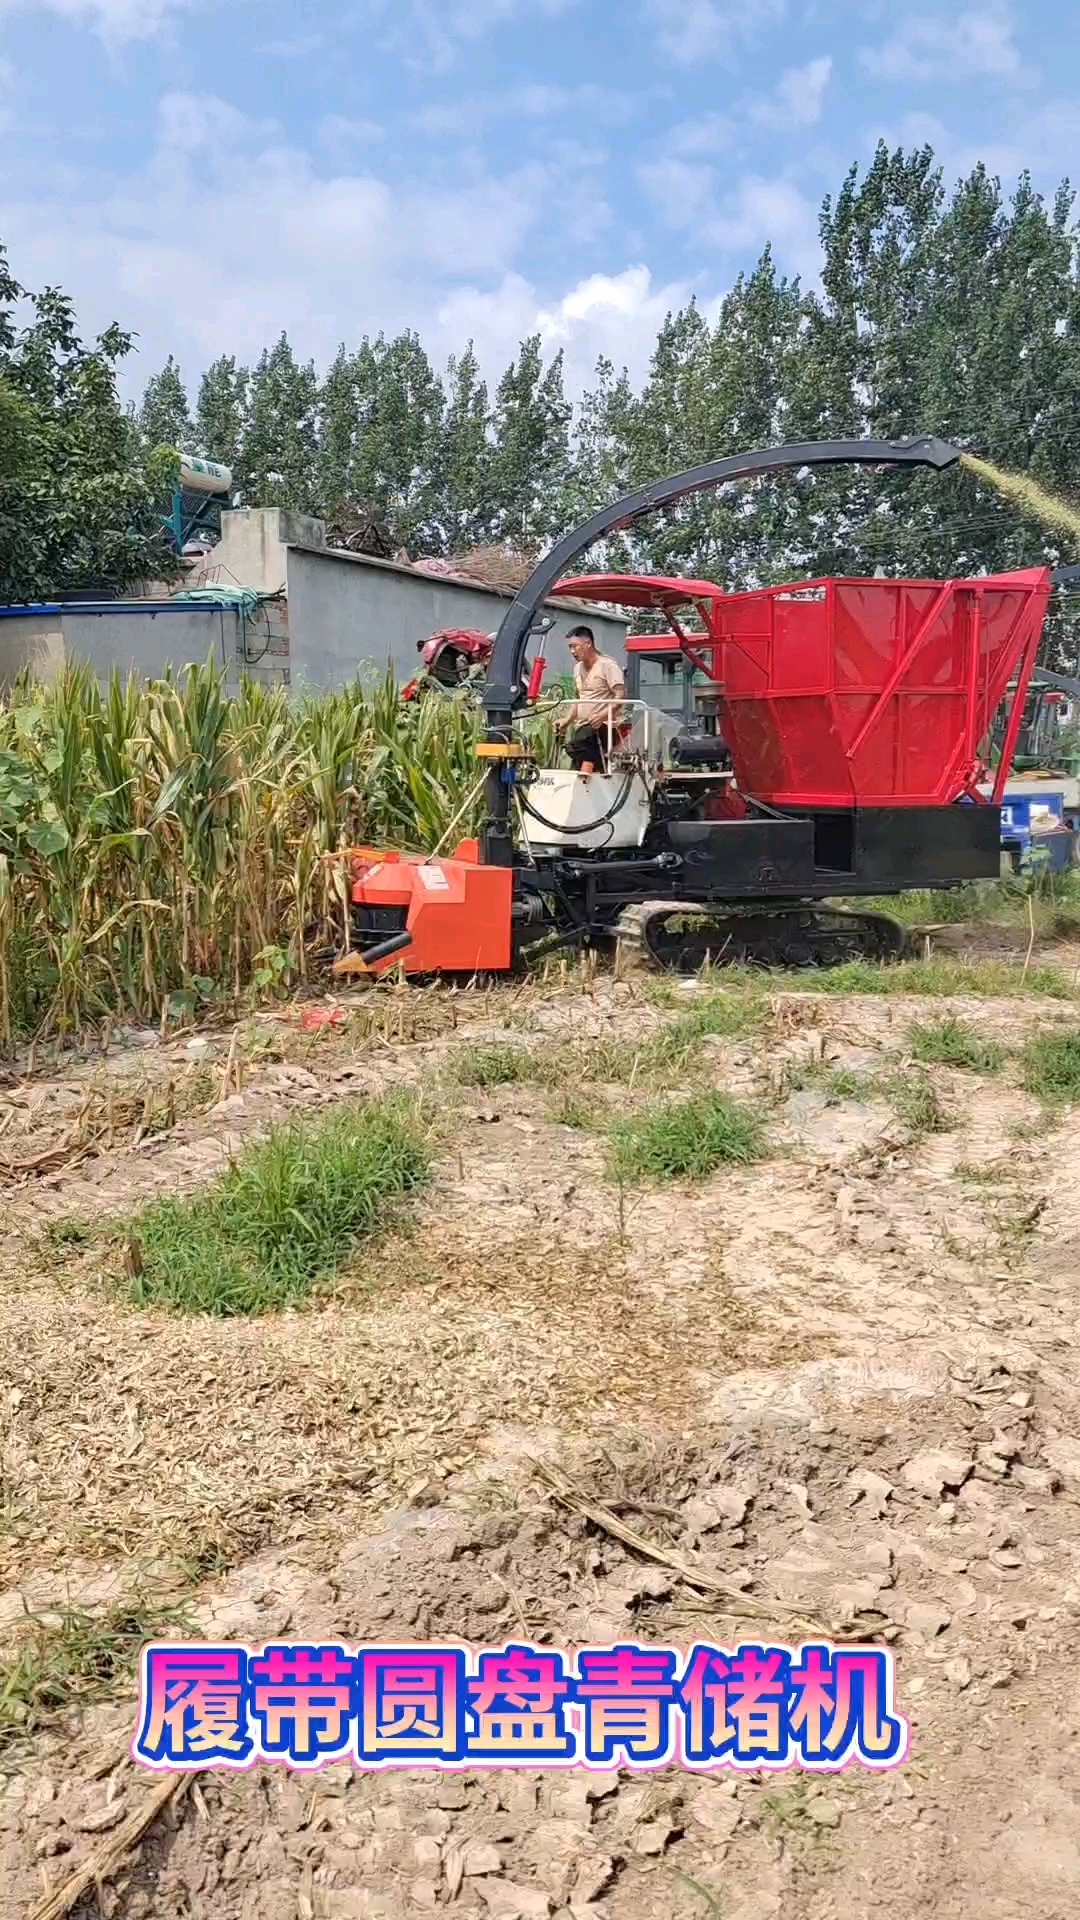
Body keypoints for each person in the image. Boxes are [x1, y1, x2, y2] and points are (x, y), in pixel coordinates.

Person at [558, 626, 626, 774]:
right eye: (570, 647)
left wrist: (602, 715)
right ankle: (590, 770)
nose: (572, 651)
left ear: (588, 643)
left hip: (605, 726)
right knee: (573, 744)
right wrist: (567, 719)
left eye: (575, 646)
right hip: (583, 727)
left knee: (578, 744)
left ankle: (590, 768)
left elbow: (620, 697)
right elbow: (578, 699)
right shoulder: (577, 669)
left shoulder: (607, 665)